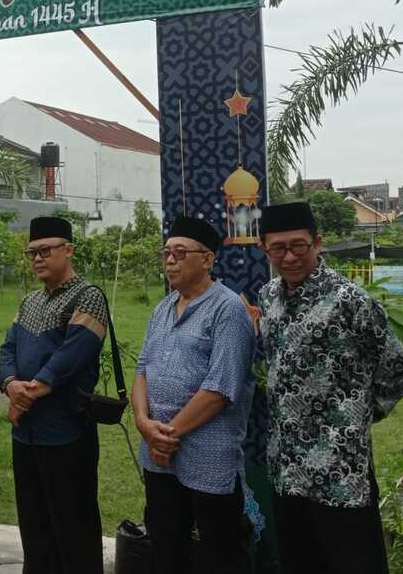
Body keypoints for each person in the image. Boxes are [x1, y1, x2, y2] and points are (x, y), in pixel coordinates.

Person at [258, 202, 403, 574]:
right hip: (287, 467)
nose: (290, 256)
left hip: (341, 472)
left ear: (318, 243)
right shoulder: (268, 299)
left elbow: (398, 370)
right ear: (264, 249)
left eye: (299, 245)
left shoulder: (350, 302)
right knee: (300, 563)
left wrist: (358, 416)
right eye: (278, 248)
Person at [131, 215, 255, 574]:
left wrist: (167, 435)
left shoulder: (228, 309)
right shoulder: (162, 308)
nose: (170, 260)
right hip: (158, 454)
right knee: (167, 543)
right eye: (166, 252)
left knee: (220, 550)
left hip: (207, 455)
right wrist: (143, 423)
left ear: (207, 259)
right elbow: (142, 369)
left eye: (180, 252)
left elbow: (220, 388)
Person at [0, 216, 107, 574]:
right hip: (26, 434)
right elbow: (7, 348)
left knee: (74, 528)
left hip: (66, 432)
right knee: (34, 525)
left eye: (45, 250)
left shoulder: (88, 297)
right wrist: (11, 384)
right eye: (32, 253)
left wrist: (30, 391)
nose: (37, 259)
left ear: (69, 250)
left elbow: (73, 355)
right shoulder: (29, 300)